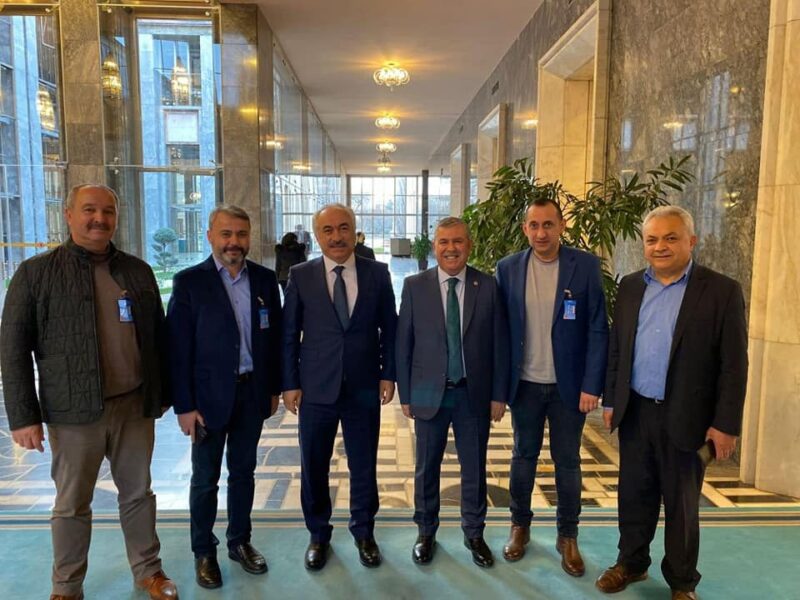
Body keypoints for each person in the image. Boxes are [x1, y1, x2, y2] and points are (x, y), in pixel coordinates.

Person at [0, 184, 177, 600]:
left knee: (138, 494)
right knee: (71, 503)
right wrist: (24, 417)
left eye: (108, 211)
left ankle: (149, 571)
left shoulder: (137, 271)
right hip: (72, 411)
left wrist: (163, 393)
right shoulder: (36, 273)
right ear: (68, 215)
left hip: (133, 406)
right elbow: (12, 349)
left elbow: (158, 338)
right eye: (89, 210)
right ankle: (67, 586)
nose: (99, 219)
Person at [596, 206, 748, 600]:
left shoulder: (721, 291)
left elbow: (734, 365)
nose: (660, 246)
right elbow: (618, 350)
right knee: (634, 495)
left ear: (691, 241)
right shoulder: (631, 286)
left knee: (681, 505)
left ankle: (682, 581)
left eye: (670, 238)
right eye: (652, 239)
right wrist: (611, 400)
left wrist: (726, 424)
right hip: (636, 412)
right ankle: (631, 563)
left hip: (689, 418)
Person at [167, 205, 283, 590]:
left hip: (252, 393)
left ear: (250, 237)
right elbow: (177, 350)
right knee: (205, 479)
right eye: (226, 234)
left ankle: (239, 542)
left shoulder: (265, 280)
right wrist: (185, 406)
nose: (234, 242)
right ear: (210, 236)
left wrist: (273, 388)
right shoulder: (189, 283)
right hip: (206, 401)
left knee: (244, 474)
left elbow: (274, 340)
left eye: (241, 234)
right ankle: (204, 550)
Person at [495, 198, 608, 576]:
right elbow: (499, 333)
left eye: (548, 224)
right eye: (534, 225)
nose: (541, 233)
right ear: (525, 229)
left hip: (569, 388)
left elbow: (597, 328)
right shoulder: (508, 268)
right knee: (523, 456)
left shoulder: (585, 266)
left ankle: (568, 536)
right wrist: (498, 388)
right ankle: (519, 526)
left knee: (568, 461)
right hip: (525, 384)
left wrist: (592, 384)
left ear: (562, 225)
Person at [282, 203, 397, 571]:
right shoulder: (300, 275)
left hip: (364, 385)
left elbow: (390, 329)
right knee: (314, 464)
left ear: (355, 231)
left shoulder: (378, 273)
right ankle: (318, 535)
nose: (337, 236)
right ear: (317, 237)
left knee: (364, 464)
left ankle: (364, 532)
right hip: (315, 387)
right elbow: (289, 334)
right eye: (328, 230)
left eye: (343, 228)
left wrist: (388, 374)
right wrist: (289, 382)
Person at [396, 217, 509, 568]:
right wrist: (405, 395)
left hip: (472, 395)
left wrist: (499, 394)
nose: (451, 248)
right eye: (443, 242)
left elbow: (500, 344)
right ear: (434, 247)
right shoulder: (414, 286)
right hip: (429, 393)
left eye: (458, 241)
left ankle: (474, 533)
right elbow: (403, 343)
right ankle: (425, 532)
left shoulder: (487, 286)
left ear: (469, 245)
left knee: (473, 467)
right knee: (426, 467)